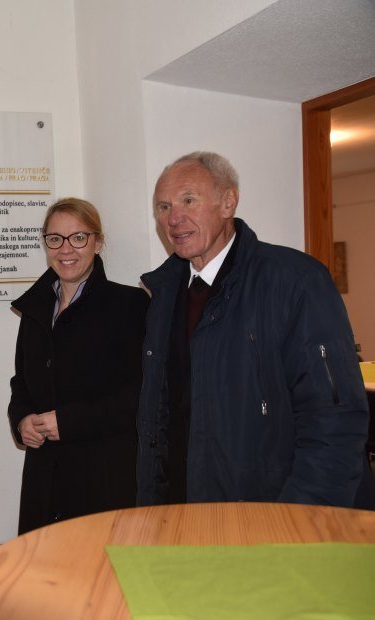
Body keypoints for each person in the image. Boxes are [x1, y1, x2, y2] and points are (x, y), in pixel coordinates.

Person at [137, 151, 374, 508]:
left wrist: (297, 520)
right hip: (183, 514)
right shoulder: (162, 296)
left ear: (228, 202)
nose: (174, 218)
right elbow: (161, 419)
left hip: (272, 515)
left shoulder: (296, 281)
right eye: (163, 207)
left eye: (188, 200)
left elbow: (334, 421)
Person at [8, 198, 149, 534]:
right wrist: (22, 418)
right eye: (55, 238)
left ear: (97, 242)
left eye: (78, 237)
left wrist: (70, 422)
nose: (65, 249)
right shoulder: (35, 308)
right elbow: (21, 380)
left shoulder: (130, 306)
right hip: (45, 477)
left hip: (103, 477)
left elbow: (140, 396)